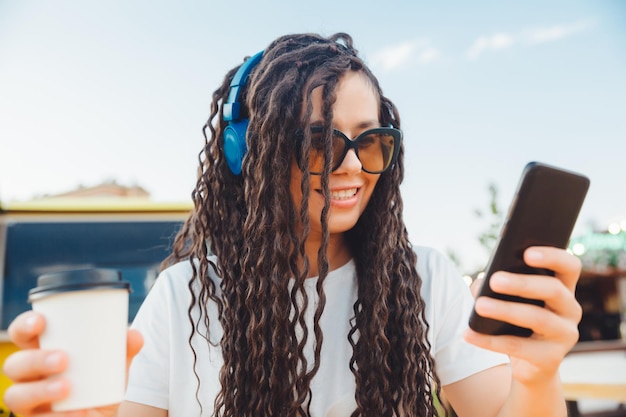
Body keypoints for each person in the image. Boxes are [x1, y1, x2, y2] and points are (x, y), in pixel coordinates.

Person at [3, 32, 582, 417]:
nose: (353, 164)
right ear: (247, 155)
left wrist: (535, 378)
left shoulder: (424, 278)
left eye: (372, 141)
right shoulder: (183, 299)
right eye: (318, 141)